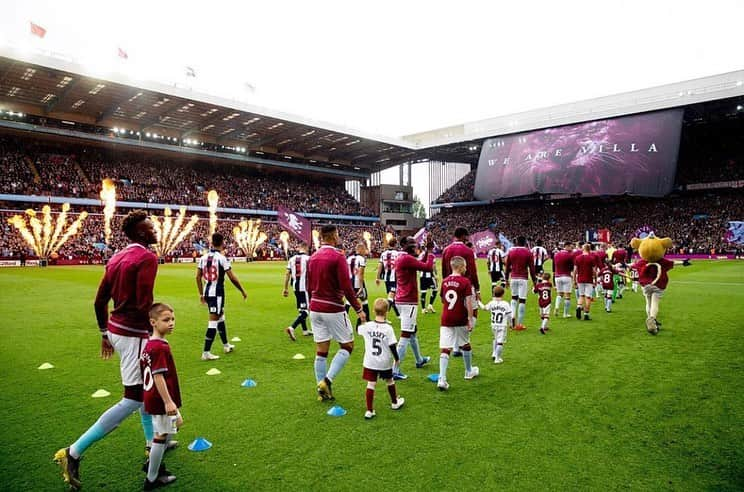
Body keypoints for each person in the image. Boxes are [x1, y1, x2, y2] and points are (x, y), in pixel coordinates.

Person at [55, 210, 160, 490]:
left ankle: (153, 446)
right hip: (133, 333)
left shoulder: (115, 258)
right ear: (140, 233)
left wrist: (104, 333)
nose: (156, 229)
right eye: (151, 226)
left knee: (143, 390)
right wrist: (154, 332)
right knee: (134, 399)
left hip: (115, 330)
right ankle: (73, 452)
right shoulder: (147, 258)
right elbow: (142, 303)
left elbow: (99, 301)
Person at [307, 225, 365, 401]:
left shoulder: (313, 257)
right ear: (333, 236)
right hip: (333, 307)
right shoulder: (338, 257)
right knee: (347, 346)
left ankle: (321, 391)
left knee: (321, 351)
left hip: (315, 307)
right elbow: (346, 287)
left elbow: (309, 286)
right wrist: (358, 309)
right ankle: (327, 380)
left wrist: (313, 303)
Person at [141, 303, 182, 489]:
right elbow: (158, 376)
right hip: (160, 399)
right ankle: (152, 477)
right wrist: (168, 402)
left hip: (152, 396)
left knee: (165, 429)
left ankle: (159, 452)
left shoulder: (150, 344)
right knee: (161, 434)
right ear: (153, 322)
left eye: (172, 319)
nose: (171, 323)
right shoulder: (159, 348)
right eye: (166, 320)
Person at [196, 232, 247, 360]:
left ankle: (226, 345)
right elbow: (232, 277)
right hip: (217, 293)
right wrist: (242, 290)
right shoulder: (221, 258)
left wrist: (201, 293)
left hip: (208, 292)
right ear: (222, 243)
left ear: (211, 243)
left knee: (221, 316)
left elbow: (197, 277)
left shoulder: (203, 258)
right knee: (213, 321)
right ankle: (206, 352)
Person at [393, 235, 434, 379]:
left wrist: (427, 252)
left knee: (412, 332)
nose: (417, 249)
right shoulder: (407, 258)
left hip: (401, 299)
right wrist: (431, 252)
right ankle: (395, 370)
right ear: (410, 247)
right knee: (405, 335)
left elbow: (420, 263)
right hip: (408, 300)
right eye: (415, 246)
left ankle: (419, 360)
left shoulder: (402, 257)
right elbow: (427, 267)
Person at [358, 298, 405, 419]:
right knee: (390, 381)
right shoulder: (388, 328)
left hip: (370, 361)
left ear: (373, 311)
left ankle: (369, 410)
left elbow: (358, 330)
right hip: (384, 361)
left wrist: (362, 320)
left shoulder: (367, 326)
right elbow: (392, 346)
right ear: (387, 312)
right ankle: (395, 402)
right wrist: (397, 358)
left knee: (371, 384)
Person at [437, 256, 478, 390]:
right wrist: (470, 319)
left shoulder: (444, 281)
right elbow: (468, 302)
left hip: (446, 318)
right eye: (465, 266)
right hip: (460, 317)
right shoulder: (465, 282)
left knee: (445, 348)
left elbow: (443, 300)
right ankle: (468, 371)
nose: (466, 269)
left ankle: (442, 379)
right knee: (465, 344)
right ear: (460, 267)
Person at [442, 227, 481, 355]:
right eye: (467, 236)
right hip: (466, 286)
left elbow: (443, 271)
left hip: (450, 286)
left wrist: (445, 286)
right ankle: (463, 342)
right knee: (473, 312)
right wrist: (478, 288)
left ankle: (456, 347)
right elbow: (473, 272)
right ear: (463, 236)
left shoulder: (446, 250)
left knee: (455, 312)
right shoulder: (468, 251)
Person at [505, 236, 537, 330]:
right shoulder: (528, 252)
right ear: (525, 242)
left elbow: (507, 267)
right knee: (522, 300)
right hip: (523, 278)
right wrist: (534, 281)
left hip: (513, 277)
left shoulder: (511, 251)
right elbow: (532, 269)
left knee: (514, 298)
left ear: (516, 242)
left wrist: (506, 280)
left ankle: (512, 319)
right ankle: (519, 324)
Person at [283, 243, 312, 340]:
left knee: (301, 309)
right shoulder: (309, 259)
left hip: (296, 287)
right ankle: (292, 327)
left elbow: (287, 274)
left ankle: (305, 330)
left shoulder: (292, 259)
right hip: (305, 288)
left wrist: (285, 288)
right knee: (307, 310)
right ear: (306, 248)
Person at [478, 285, 512, 364]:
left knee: (495, 338)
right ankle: (497, 358)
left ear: (493, 293)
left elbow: (484, 308)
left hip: (493, 325)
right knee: (500, 342)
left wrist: (478, 302)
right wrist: (511, 324)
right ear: (503, 294)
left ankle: (494, 353)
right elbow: (510, 315)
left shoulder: (491, 303)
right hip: (502, 326)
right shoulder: (505, 304)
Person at [347, 242, 370, 328]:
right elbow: (361, 274)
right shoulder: (361, 259)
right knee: (364, 301)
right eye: (364, 249)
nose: (365, 251)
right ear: (360, 249)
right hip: (358, 283)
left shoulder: (349, 258)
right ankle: (365, 320)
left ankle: (343, 319)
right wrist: (361, 286)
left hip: (350, 283)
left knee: (349, 301)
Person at [376, 238, 400, 316]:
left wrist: (378, 277)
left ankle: (398, 315)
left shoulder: (383, 254)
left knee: (392, 296)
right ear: (395, 244)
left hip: (386, 279)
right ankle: (384, 316)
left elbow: (380, 266)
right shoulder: (397, 254)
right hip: (394, 278)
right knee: (391, 297)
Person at [573, 243, 597, 320]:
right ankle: (586, 314)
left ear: (583, 249)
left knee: (581, 295)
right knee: (588, 297)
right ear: (589, 249)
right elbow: (594, 271)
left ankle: (579, 306)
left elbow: (575, 271)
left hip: (580, 279)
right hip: (589, 279)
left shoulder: (577, 258)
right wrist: (595, 280)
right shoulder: (591, 258)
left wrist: (574, 280)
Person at [552, 242, 575, 318]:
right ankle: (566, 313)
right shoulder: (570, 255)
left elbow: (554, 267)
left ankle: (556, 307)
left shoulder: (556, 255)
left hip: (557, 276)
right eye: (570, 247)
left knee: (559, 294)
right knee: (567, 296)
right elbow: (571, 267)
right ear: (567, 246)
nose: (571, 249)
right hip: (566, 276)